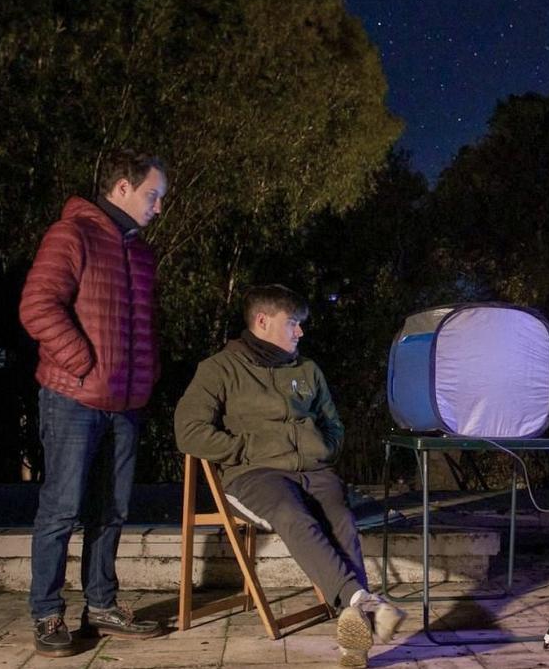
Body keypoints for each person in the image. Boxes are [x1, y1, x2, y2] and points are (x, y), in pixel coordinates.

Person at [174, 284, 405, 669]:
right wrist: (243, 450)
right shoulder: (220, 369)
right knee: (293, 515)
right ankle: (361, 603)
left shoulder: (307, 370)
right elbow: (189, 430)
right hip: (256, 474)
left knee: (343, 521)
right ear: (263, 321)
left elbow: (333, 425)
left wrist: (324, 449)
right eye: (293, 323)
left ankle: (355, 635)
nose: (300, 332)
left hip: (313, 470)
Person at [19, 149, 168, 657]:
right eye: (154, 194)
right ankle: (47, 612)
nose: (158, 206)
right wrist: (84, 364)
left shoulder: (141, 252)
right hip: (73, 399)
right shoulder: (72, 235)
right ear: (122, 188)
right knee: (62, 509)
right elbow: (38, 306)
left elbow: (146, 325)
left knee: (113, 510)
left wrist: (144, 377)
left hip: (125, 404)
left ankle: (101, 605)